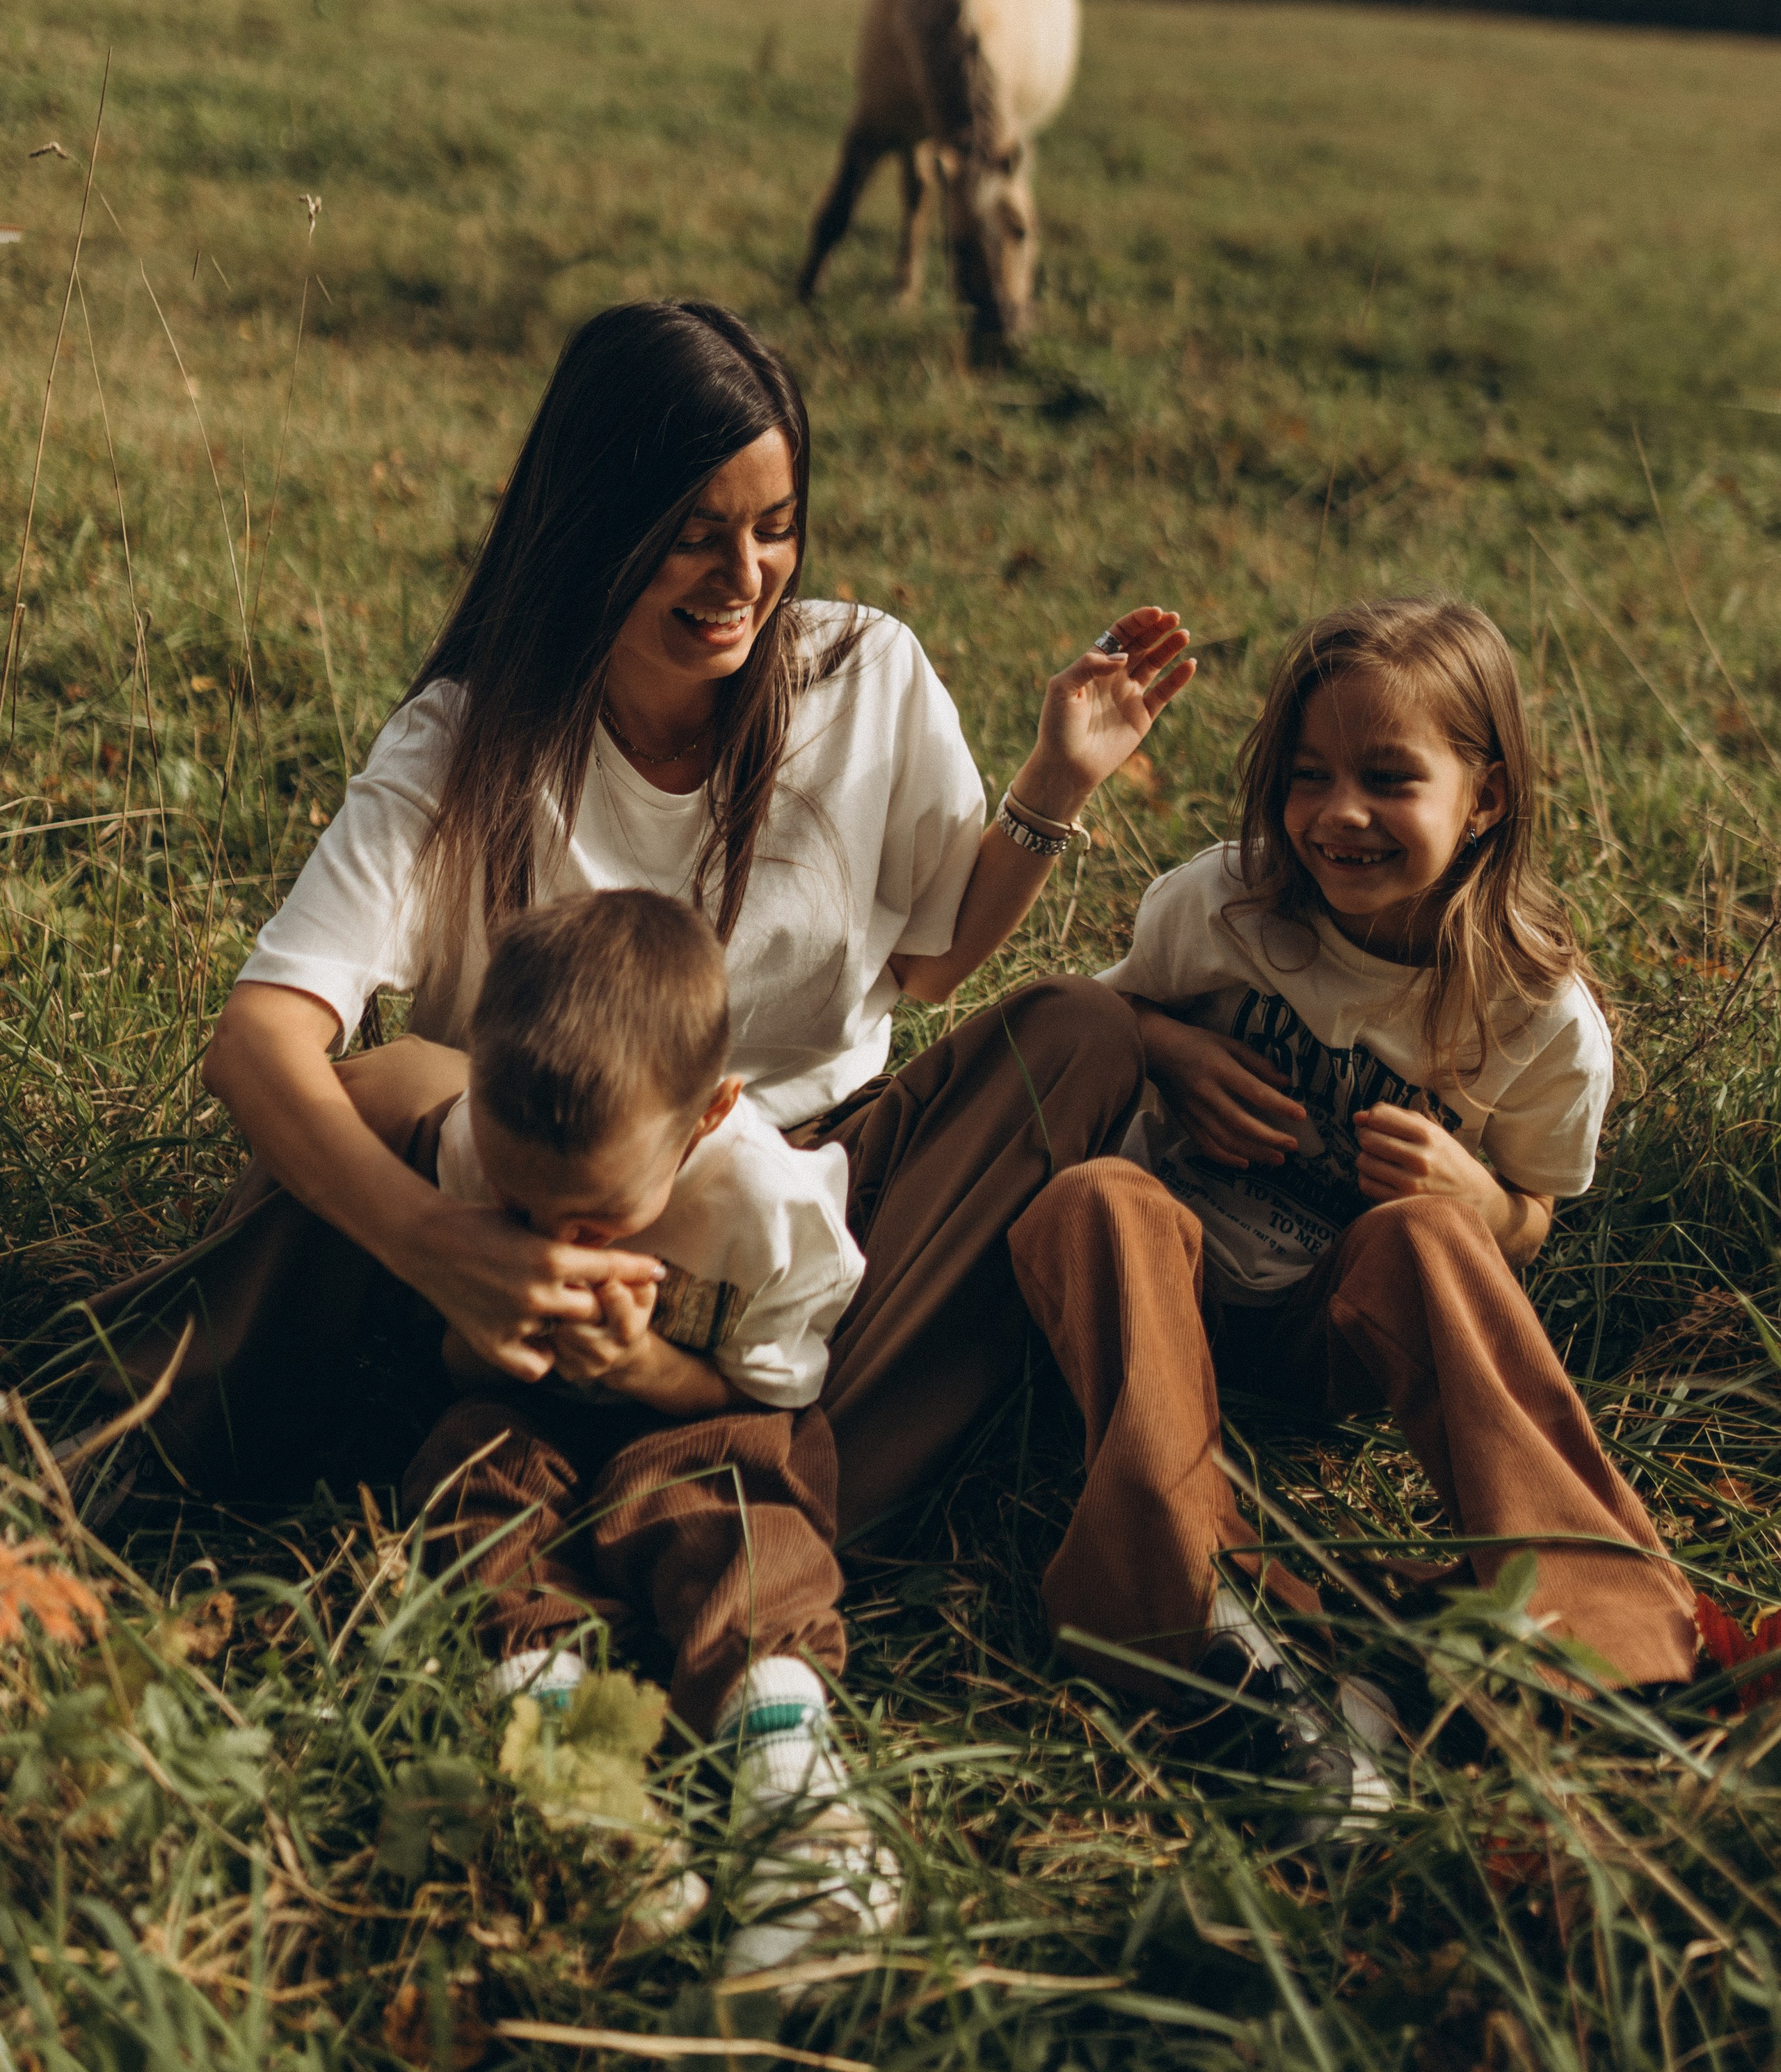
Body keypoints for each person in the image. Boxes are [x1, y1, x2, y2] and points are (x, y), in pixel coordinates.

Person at [87, 298, 1189, 1555]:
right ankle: (161, 1458)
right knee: (392, 1082)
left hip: (811, 1189)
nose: (745, 579)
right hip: (546, 1211)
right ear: (596, 526)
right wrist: (444, 1248)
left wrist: (1055, 784)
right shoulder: (472, 740)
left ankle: (775, 1458)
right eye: (694, 536)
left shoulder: (865, 674)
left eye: (776, 530)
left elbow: (929, 965)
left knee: (1082, 1034)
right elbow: (257, 1042)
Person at [1005, 597, 1696, 1817]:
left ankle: (1602, 1631)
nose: (1339, 816)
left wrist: (1483, 1199)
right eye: (1308, 776)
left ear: (1484, 797)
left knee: (1428, 1232)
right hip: (1158, 1297)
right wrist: (1169, 1048)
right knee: (1096, 1196)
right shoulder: (1217, 911)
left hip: (1330, 1326)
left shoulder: (1539, 1020)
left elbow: (1536, 1217)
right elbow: (1090, 1021)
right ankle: (1197, 1618)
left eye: (1390, 778)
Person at [342, 885, 886, 1968]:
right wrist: (486, 1336)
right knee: (468, 1468)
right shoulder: (469, 1145)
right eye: (519, 1206)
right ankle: (576, 1787)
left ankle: (796, 1810)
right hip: (528, 1409)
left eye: (591, 1217)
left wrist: (642, 1365)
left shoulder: (775, 1218)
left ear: (712, 1114)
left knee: (736, 1493)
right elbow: (448, 1359)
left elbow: (768, 1399)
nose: (550, 1236)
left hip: (701, 1412)